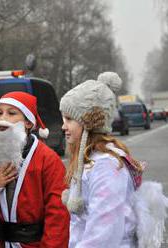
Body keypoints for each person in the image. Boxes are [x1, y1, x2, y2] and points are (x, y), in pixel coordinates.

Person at [59, 72, 168, 248]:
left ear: (90, 122)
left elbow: (103, 231)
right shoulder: (90, 160)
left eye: (70, 119)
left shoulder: (106, 165)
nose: (63, 126)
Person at [0, 91, 70, 248]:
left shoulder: (48, 160)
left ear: (28, 123)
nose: (2, 119)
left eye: (11, 113)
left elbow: (58, 214)